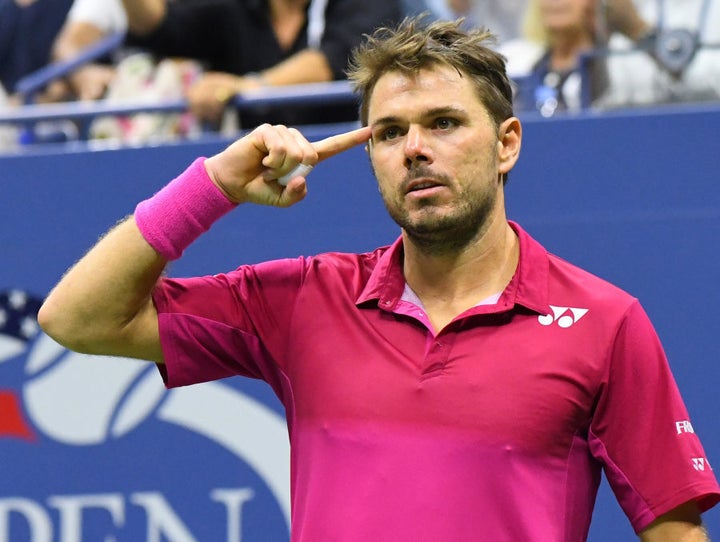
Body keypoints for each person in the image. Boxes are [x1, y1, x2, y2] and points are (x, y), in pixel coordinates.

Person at [38, 16, 720, 541]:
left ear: (507, 142)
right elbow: (76, 319)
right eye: (389, 133)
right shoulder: (303, 299)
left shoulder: (605, 321)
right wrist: (213, 185)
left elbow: (675, 528)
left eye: (444, 123)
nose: (415, 148)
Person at [121, 0, 401, 127]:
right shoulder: (234, 9)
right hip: (256, 172)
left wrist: (247, 86)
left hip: (343, 160)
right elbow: (156, 27)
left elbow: (338, 58)